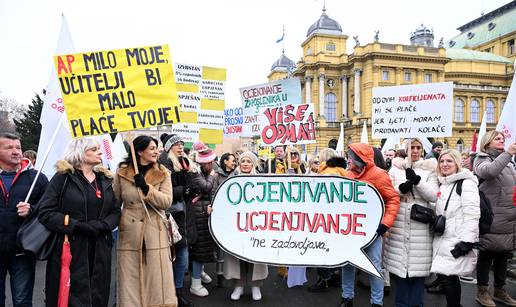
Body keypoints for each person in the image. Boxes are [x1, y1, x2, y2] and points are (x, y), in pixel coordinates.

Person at [38, 137, 120, 307]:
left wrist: (103, 225)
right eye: (94, 149)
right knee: (70, 296)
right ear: (81, 153)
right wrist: (76, 225)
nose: (100, 152)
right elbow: (45, 212)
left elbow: (115, 211)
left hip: (100, 247)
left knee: (98, 293)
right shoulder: (63, 178)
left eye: (99, 148)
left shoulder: (104, 179)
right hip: (71, 246)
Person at [114, 135, 177, 307]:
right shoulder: (122, 173)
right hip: (129, 234)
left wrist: (146, 187)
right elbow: (115, 202)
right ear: (139, 151)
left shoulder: (163, 172)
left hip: (154, 232)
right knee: (130, 281)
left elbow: (166, 202)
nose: (156, 151)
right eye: (151, 148)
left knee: (157, 281)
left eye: (156, 148)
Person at [339, 143, 400, 307]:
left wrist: (385, 225)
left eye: (350, 157)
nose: (348, 160)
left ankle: (377, 302)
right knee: (348, 264)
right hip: (351, 230)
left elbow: (393, 200)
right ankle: (347, 297)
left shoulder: (380, 175)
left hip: (373, 230)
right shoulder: (347, 175)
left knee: (374, 266)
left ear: (359, 158)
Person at [384, 138, 439, 307]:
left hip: (420, 225)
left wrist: (418, 182)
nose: (415, 151)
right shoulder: (395, 168)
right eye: (412, 147)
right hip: (399, 223)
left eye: (418, 147)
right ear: (406, 149)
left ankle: (417, 304)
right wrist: (400, 189)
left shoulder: (430, 169)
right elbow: (387, 193)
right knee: (400, 272)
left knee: (418, 270)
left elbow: (433, 195)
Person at [0, 132, 48, 307]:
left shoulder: (37, 178)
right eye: (9, 147)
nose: (16, 151)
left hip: (23, 249)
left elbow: (50, 208)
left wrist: (32, 209)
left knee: (22, 301)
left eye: (18, 147)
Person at [430, 149, 480, 307]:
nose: (445, 164)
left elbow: (472, 214)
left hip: (456, 239)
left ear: (457, 163)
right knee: (447, 277)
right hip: (445, 238)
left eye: (449, 161)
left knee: (449, 278)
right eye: (442, 161)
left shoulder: (466, 183)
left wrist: (467, 242)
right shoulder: (446, 182)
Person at [473, 130, 516, 307]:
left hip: (508, 216)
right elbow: (489, 173)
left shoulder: (509, 163)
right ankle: (482, 291)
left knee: (503, 254)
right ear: (487, 142)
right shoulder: (481, 158)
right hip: (491, 216)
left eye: (503, 139)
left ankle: (500, 290)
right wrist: (507, 154)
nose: (501, 140)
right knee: (487, 253)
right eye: (497, 138)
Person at [158, 133, 198, 307]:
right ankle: (169, 293)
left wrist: (193, 189)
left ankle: (177, 291)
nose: (181, 147)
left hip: (183, 214)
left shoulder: (184, 162)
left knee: (182, 253)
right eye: (176, 144)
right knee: (172, 255)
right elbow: (161, 192)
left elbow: (191, 185)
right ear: (168, 147)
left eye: (182, 144)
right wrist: (184, 190)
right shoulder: (163, 163)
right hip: (170, 215)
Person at [224, 151, 268, 301]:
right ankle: (239, 285)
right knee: (238, 254)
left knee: (254, 254)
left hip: (256, 224)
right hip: (236, 224)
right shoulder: (232, 179)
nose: (245, 164)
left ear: (253, 164)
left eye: (249, 161)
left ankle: (256, 285)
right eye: (243, 161)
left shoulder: (260, 179)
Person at [307, 148, 346, 293]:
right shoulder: (341, 172)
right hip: (336, 217)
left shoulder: (327, 173)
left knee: (322, 247)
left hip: (325, 217)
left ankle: (324, 279)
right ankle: (334, 276)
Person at [189, 142, 217, 297]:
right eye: (210, 163)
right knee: (199, 249)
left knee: (203, 248)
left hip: (202, 213)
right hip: (198, 214)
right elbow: (206, 188)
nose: (212, 165)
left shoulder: (201, 172)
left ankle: (200, 273)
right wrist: (212, 178)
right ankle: (195, 282)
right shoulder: (195, 173)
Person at [212, 152, 237, 287]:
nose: (234, 163)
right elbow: (213, 193)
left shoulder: (237, 175)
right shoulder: (217, 176)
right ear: (225, 161)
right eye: (232, 160)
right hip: (222, 215)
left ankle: (235, 276)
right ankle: (220, 275)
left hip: (234, 215)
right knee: (220, 248)